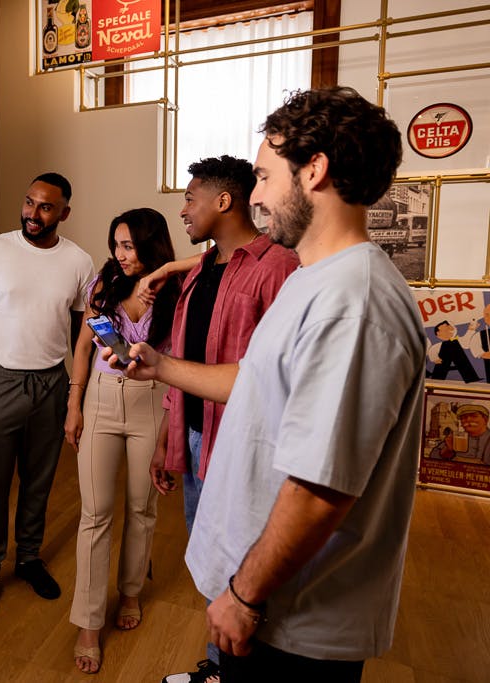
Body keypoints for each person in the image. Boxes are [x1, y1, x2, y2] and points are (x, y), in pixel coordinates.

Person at [111, 87, 425, 682]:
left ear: (315, 170)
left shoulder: (352, 304)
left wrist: (245, 596)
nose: (252, 195)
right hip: (268, 600)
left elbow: (319, 488)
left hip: (291, 617)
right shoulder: (316, 278)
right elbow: (255, 381)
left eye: (262, 176)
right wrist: (160, 365)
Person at [147, 156, 298, 683]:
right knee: (211, 560)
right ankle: (219, 667)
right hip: (192, 436)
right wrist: (169, 441)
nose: (183, 209)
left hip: (236, 446)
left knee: (242, 569)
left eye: (190, 198)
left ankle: (235, 669)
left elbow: (274, 375)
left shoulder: (278, 267)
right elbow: (187, 357)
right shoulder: (204, 268)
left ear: (223, 201)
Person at [0, 172, 96, 625]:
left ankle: (29, 558)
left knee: (40, 481)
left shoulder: (78, 262)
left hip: (51, 385)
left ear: (64, 213)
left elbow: (83, 333)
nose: (32, 214)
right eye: (29, 203)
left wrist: (81, 390)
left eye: (45, 207)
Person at [65, 208, 180, 673]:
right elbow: (81, 343)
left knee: (141, 507)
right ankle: (89, 622)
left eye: (129, 245)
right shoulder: (103, 282)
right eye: (116, 244)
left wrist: (170, 268)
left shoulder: (176, 288)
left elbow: (211, 258)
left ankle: (130, 592)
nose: (120, 254)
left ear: (152, 246)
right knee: (94, 514)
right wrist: (73, 405)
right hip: (100, 399)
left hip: (153, 401)